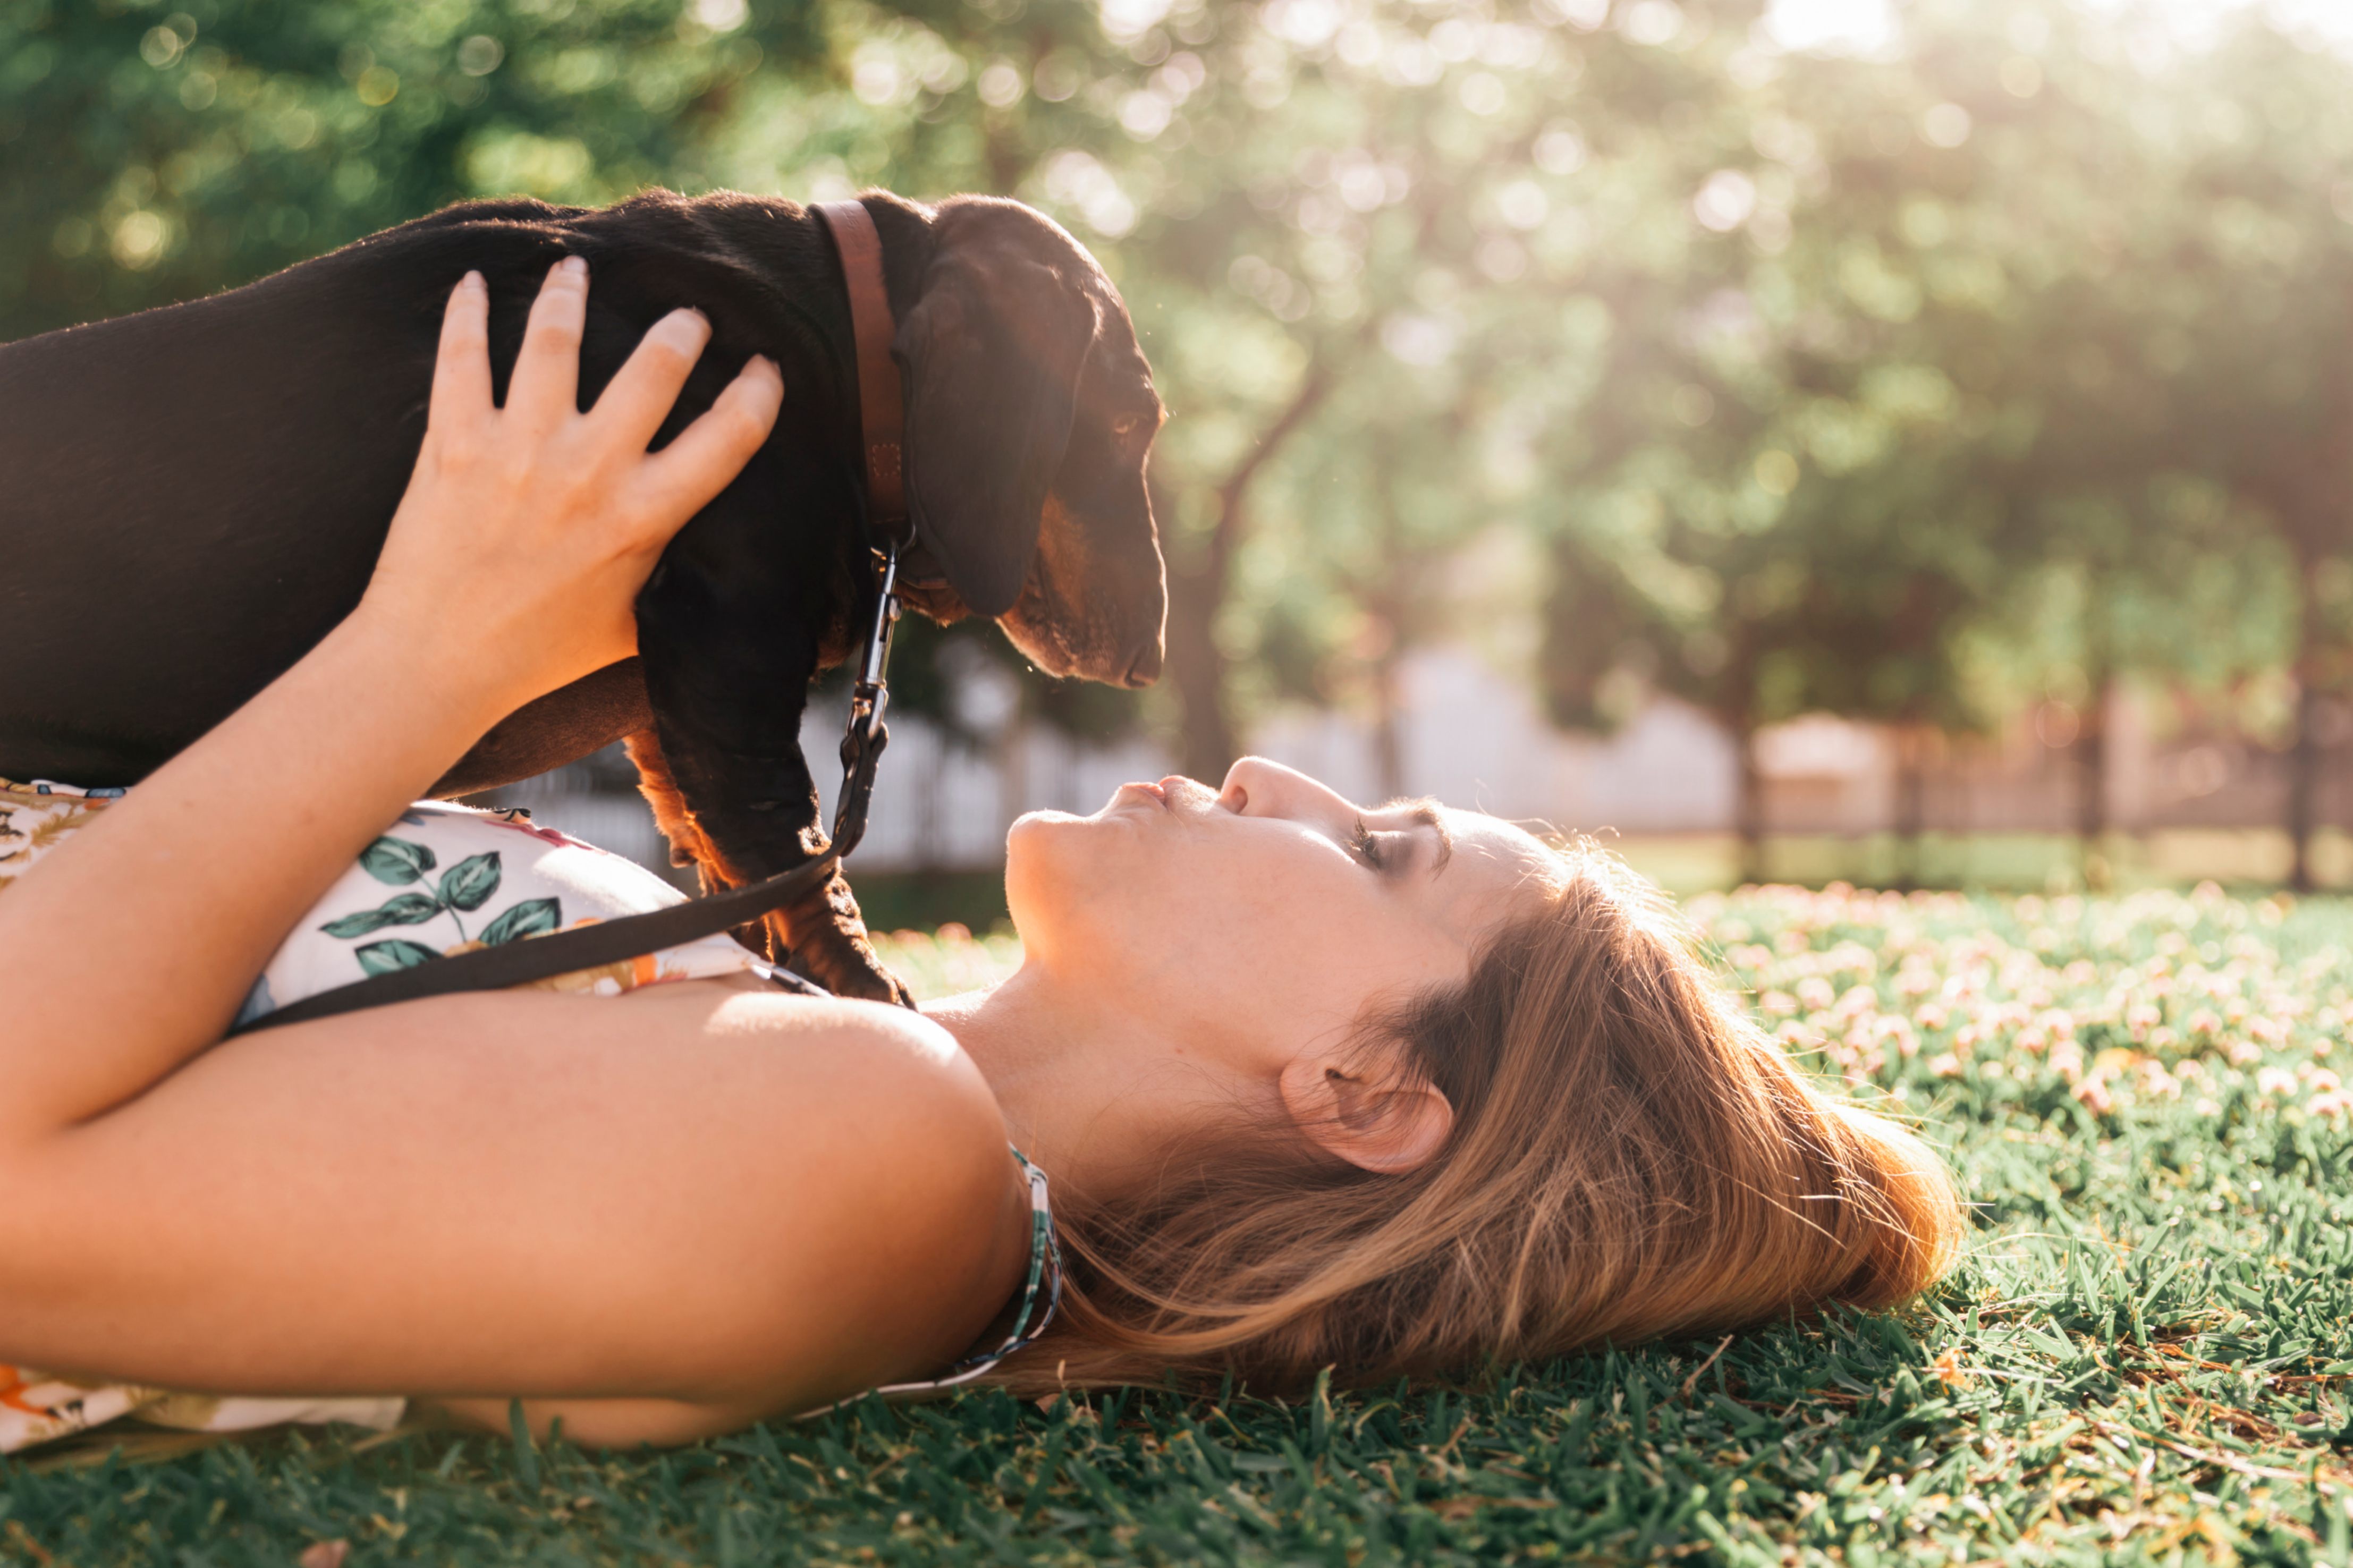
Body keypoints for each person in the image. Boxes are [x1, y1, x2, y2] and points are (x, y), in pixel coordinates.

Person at [0, 263, 1963, 1455]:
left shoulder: (871, 1161)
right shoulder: (828, 1089)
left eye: (1375, 850)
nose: (1278, 772)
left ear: (1366, 1097)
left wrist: (444, 645)